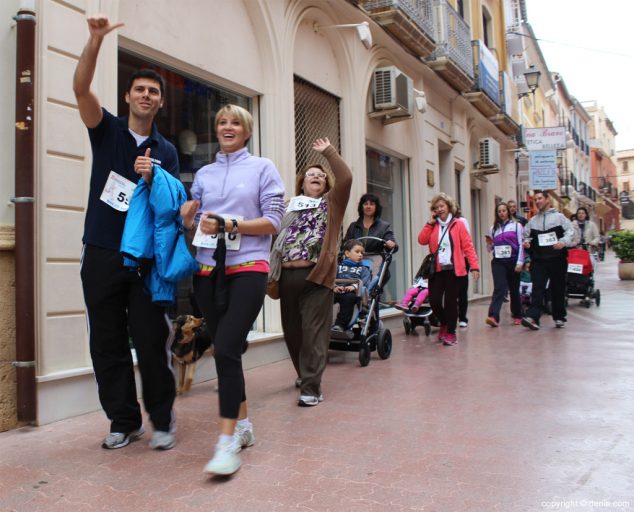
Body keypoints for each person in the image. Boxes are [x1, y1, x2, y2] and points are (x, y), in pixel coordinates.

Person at [73, 15, 180, 451]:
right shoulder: (108, 130)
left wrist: (154, 180)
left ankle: (162, 420)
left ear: (159, 104)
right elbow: (81, 89)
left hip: (146, 262)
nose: (146, 95)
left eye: (154, 92)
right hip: (100, 251)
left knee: (153, 343)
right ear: (128, 96)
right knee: (107, 343)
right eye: (140, 89)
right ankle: (124, 420)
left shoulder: (167, 151)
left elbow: (171, 211)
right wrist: (95, 40)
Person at [180, 104, 285, 476]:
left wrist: (227, 224)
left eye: (235, 122)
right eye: (222, 122)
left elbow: (273, 222)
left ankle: (226, 444)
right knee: (228, 353)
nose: (227, 127)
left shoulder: (263, 168)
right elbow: (198, 228)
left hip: (248, 270)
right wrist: (190, 220)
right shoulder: (204, 175)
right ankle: (242, 426)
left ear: (247, 131)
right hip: (208, 272)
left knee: (225, 347)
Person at [269, 138, 352, 407]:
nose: (314, 177)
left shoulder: (332, 203)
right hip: (286, 278)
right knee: (293, 333)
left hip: (317, 277)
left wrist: (328, 152)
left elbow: (346, 177)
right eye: (309, 175)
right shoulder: (289, 205)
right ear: (301, 183)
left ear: (326, 184)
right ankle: (305, 374)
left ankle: (311, 388)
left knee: (314, 332)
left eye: (319, 175)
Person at [418, 193, 480, 346]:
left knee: (451, 302)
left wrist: (474, 267)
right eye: (436, 207)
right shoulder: (433, 225)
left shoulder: (458, 224)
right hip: (437, 270)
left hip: (454, 270)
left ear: (448, 207)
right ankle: (444, 323)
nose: (439, 209)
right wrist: (429, 223)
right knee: (434, 301)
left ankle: (451, 332)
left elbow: (468, 246)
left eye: (442, 206)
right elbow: (422, 240)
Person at [521, 190, 575, 330]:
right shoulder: (532, 221)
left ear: (547, 200)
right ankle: (533, 317)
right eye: (535, 199)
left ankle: (559, 317)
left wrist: (563, 242)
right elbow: (526, 236)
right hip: (539, 260)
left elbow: (570, 231)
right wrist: (527, 242)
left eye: (539, 198)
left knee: (557, 288)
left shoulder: (559, 218)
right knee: (537, 288)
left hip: (557, 259)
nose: (537, 201)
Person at [484, 202, 525, 327]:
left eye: (504, 210)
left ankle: (518, 315)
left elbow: (521, 245)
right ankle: (493, 316)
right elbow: (489, 249)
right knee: (499, 288)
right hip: (498, 262)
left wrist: (520, 262)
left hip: (513, 261)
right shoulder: (493, 229)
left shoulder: (517, 226)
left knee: (514, 289)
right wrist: (489, 243)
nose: (502, 213)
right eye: (499, 211)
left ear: (508, 211)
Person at [332, 239, 372, 331]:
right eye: (357, 252)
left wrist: (353, 287)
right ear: (347, 253)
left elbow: (365, 282)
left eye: (362, 252)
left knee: (347, 298)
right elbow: (332, 279)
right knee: (326, 296)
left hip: (353, 294)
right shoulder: (339, 267)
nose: (360, 254)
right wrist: (335, 287)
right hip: (338, 290)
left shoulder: (363, 269)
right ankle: (324, 322)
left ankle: (340, 325)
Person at [455, 204, 470, 328]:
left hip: (462, 259)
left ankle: (462, 317)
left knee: (462, 290)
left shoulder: (461, 221)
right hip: (449, 261)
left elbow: (467, 241)